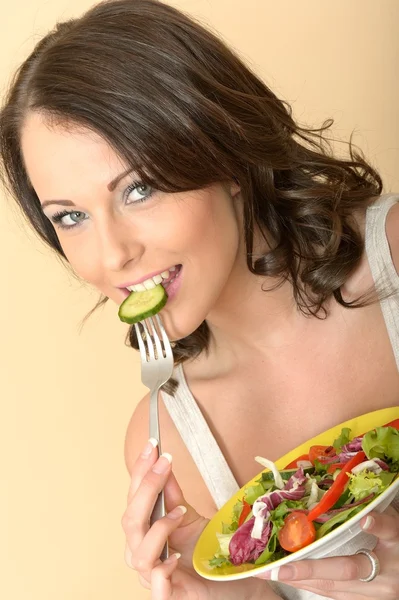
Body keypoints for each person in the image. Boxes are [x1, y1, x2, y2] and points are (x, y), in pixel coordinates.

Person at [1, 0, 398, 598]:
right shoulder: (171, 444)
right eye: (72, 215)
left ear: (224, 154)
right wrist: (232, 597)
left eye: (140, 188)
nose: (112, 256)